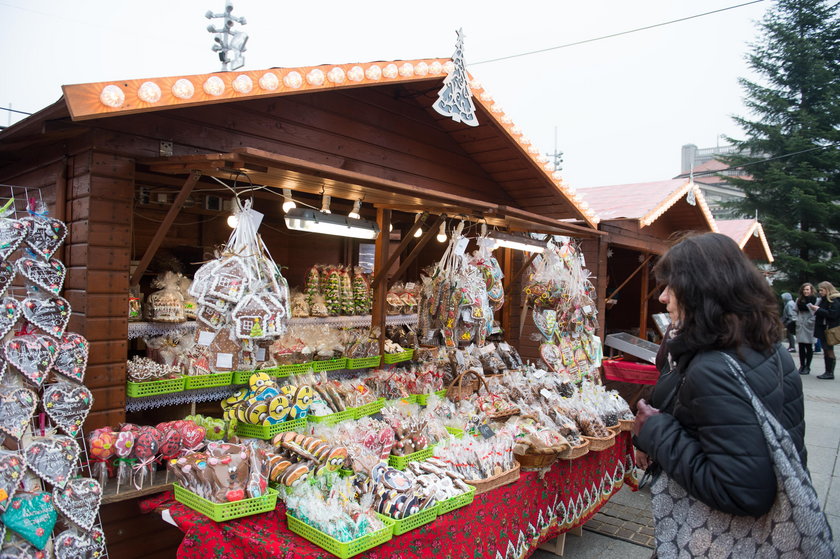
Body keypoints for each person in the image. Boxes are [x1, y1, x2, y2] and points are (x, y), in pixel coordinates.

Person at [632, 233, 808, 555]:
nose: (663, 297)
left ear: (701, 291)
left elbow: (743, 491)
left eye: (672, 286)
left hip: (714, 540)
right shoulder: (765, 346)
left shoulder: (714, 366)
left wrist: (656, 431)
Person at [808, 281, 840, 380]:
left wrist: (818, 309)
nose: (820, 292)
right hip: (824, 328)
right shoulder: (825, 299)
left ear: (827, 289)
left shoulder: (834, 300)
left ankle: (829, 372)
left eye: (822, 290)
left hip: (829, 329)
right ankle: (828, 371)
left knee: (829, 350)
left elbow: (832, 314)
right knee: (826, 350)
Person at [795, 283, 817, 375]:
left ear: (811, 290)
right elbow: (795, 311)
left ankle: (808, 366)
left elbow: (816, 313)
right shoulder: (798, 300)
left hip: (809, 325)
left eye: (807, 289)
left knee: (809, 346)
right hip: (800, 325)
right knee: (801, 346)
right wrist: (796, 320)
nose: (805, 291)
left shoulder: (816, 300)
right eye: (804, 289)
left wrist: (810, 322)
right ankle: (802, 365)